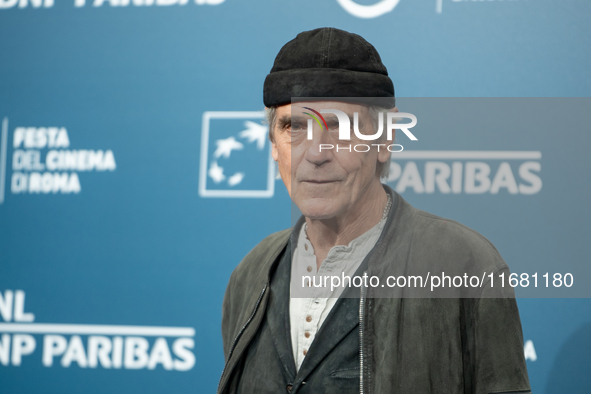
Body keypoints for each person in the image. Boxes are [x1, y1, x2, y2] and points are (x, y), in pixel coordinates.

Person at [218, 27, 531, 394]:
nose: (316, 153)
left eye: (339, 126)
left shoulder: (464, 265)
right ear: (274, 144)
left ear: (385, 139)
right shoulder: (251, 275)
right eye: (295, 126)